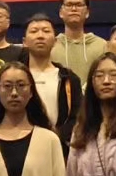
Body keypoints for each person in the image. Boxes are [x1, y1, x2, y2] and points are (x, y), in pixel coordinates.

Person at [24, 13, 83, 148]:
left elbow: (77, 116)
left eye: (46, 31)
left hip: (59, 145)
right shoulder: (14, 77)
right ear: (24, 41)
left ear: (55, 41)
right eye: (34, 31)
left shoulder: (69, 78)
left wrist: (60, 135)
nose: (40, 36)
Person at [52, 0, 107, 83]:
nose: (74, 9)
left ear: (87, 12)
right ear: (61, 13)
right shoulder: (51, 45)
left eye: (79, 5)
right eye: (69, 5)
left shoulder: (101, 45)